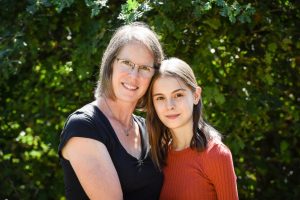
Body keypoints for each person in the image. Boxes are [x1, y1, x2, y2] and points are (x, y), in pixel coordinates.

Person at [58, 22, 164, 200]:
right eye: (127, 63)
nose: (134, 75)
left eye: (145, 68)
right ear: (110, 65)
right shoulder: (84, 127)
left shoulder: (148, 129)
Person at [146, 57, 239, 200]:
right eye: (160, 98)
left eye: (178, 95)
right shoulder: (158, 155)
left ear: (196, 95)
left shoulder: (216, 155)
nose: (169, 105)